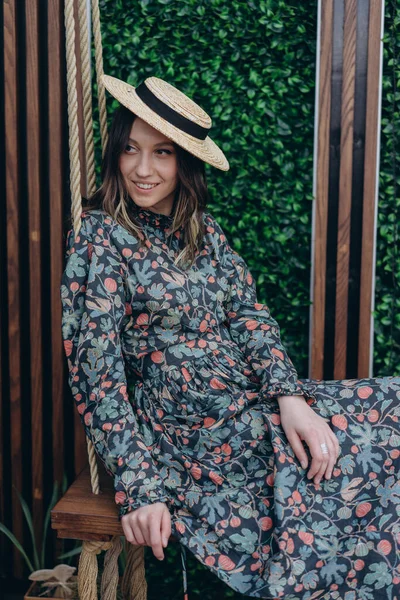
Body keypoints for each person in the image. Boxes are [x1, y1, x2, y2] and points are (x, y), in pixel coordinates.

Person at [60, 74, 400, 600]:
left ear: (185, 165)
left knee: (389, 413)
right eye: (131, 148)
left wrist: (289, 398)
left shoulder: (204, 231)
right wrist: (139, 488)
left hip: (252, 401)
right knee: (352, 462)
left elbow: (247, 315)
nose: (142, 169)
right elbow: (96, 373)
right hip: (196, 436)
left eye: (162, 153)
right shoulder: (100, 236)